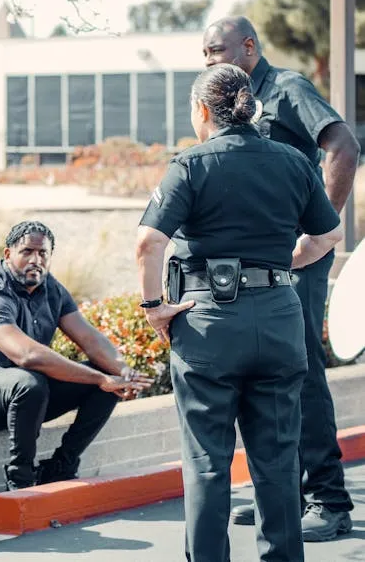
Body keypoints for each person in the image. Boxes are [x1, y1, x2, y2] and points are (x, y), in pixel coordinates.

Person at [136, 63, 343, 562]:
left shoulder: (190, 165)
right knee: (277, 462)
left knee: (207, 462)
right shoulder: (294, 162)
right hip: (277, 317)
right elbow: (329, 236)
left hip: (209, 326)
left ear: (203, 110)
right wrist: (280, 265)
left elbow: (148, 243)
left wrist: (153, 308)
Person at [202, 16, 360, 541]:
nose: (209, 62)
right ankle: (286, 494)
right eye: (204, 54)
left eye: (218, 51)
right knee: (274, 374)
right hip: (262, 264)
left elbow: (342, 145)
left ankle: (331, 502)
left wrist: (321, 234)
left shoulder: (287, 88)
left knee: (304, 370)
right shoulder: (237, 102)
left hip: (298, 260)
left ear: (249, 47)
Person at [0, 220, 152, 491]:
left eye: (42, 253)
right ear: (8, 255)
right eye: (27, 252)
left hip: (27, 397)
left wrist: (124, 373)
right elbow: (28, 355)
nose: (36, 260)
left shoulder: (50, 288)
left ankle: (60, 466)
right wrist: (98, 376)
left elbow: (89, 338)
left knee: (107, 383)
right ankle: (21, 480)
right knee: (29, 381)